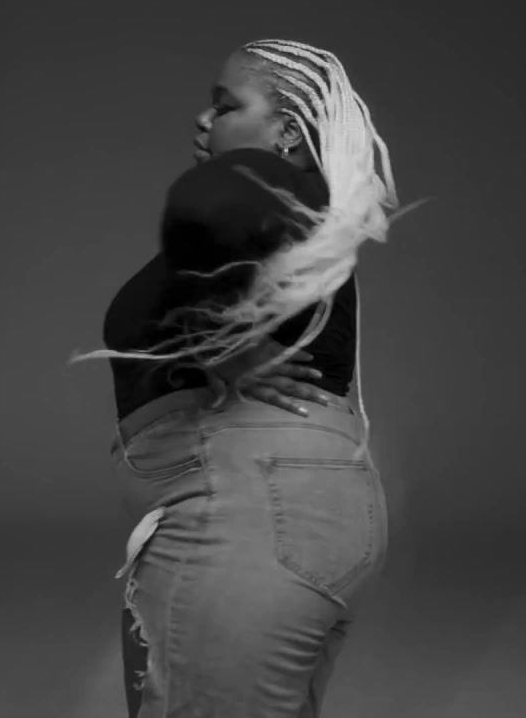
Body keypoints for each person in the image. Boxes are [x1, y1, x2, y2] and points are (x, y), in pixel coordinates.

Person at [70, 38, 418, 717]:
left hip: (247, 519)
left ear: (286, 129)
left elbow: (209, 200)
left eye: (226, 106)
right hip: (294, 515)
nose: (203, 120)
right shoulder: (300, 215)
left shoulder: (268, 184)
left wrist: (228, 343)